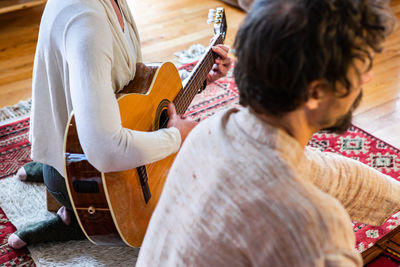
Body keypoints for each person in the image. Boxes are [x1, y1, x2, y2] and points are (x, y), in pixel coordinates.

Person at [136, 0, 399, 266]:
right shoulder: (317, 230)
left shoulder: (210, 131)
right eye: (363, 67)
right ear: (316, 92)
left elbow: (329, 173)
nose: (368, 78)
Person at [8, 0, 232, 249]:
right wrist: (176, 138)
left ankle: (53, 161)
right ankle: (71, 213)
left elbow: (131, 86)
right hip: (84, 174)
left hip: (82, 134)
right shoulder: (87, 22)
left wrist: (201, 78)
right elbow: (105, 151)